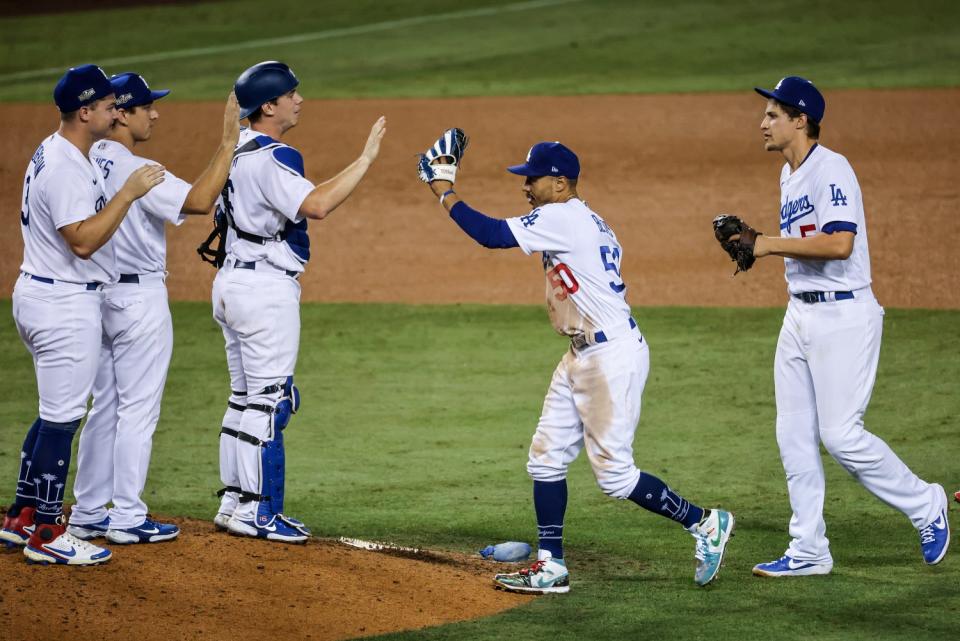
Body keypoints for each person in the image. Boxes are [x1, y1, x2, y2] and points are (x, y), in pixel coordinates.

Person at [419, 137, 735, 592]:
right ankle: (551, 565)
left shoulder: (562, 217)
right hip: (581, 353)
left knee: (615, 476)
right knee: (545, 460)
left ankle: (705, 523)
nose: (525, 185)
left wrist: (443, 191)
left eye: (532, 178)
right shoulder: (586, 219)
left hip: (610, 356)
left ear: (560, 182)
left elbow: (490, 235)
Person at [743, 76, 949, 576]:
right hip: (800, 314)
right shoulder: (789, 175)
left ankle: (926, 503)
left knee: (841, 436)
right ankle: (809, 548)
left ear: (800, 120)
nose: (762, 122)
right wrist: (765, 245)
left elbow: (840, 244)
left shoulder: (831, 169)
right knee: (793, 432)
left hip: (843, 315)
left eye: (773, 114)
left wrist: (766, 243)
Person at [210, 61, 386, 542]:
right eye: (291, 93)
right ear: (269, 105)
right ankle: (260, 512)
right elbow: (318, 205)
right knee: (271, 403)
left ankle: (234, 503)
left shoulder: (235, 149)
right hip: (264, 290)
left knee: (244, 398)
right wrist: (366, 158)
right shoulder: (275, 156)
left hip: (230, 282)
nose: (299, 99)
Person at [63, 73, 240, 545]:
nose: (155, 113)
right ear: (120, 112)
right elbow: (201, 201)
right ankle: (126, 516)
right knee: (137, 408)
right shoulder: (133, 168)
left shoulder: (87, 158)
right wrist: (227, 142)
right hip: (138, 300)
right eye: (146, 106)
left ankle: (86, 512)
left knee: (103, 408)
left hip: (96, 296)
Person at [0, 64, 164, 564]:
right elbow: (84, 240)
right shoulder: (68, 167)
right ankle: (48, 534)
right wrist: (129, 194)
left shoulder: (59, 150)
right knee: (62, 420)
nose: (117, 110)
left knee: (54, 414)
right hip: (64, 304)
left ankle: (20, 516)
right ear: (85, 111)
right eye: (110, 105)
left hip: (42, 293)